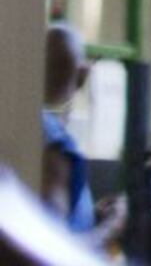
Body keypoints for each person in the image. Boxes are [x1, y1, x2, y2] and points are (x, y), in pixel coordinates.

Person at [37, 25, 113, 246]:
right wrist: (112, 226)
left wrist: (89, 215)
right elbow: (52, 247)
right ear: (82, 75)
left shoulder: (32, 127)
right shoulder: (56, 145)